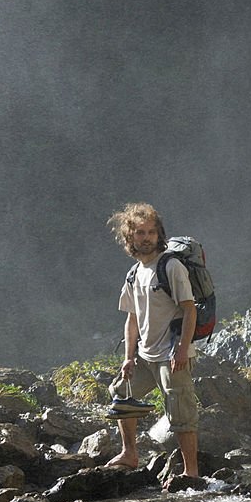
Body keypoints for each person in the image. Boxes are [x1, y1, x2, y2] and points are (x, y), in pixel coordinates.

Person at [105, 202, 199, 477]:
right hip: (145, 356)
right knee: (121, 393)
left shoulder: (171, 267)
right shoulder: (134, 274)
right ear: (130, 237)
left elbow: (189, 309)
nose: (146, 238)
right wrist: (128, 357)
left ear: (159, 235)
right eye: (140, 233)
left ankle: (191, 472)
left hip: (171, 355)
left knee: (180, 412)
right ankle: (129, 453)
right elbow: (132, 319)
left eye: (150, 232)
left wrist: (182, 350)